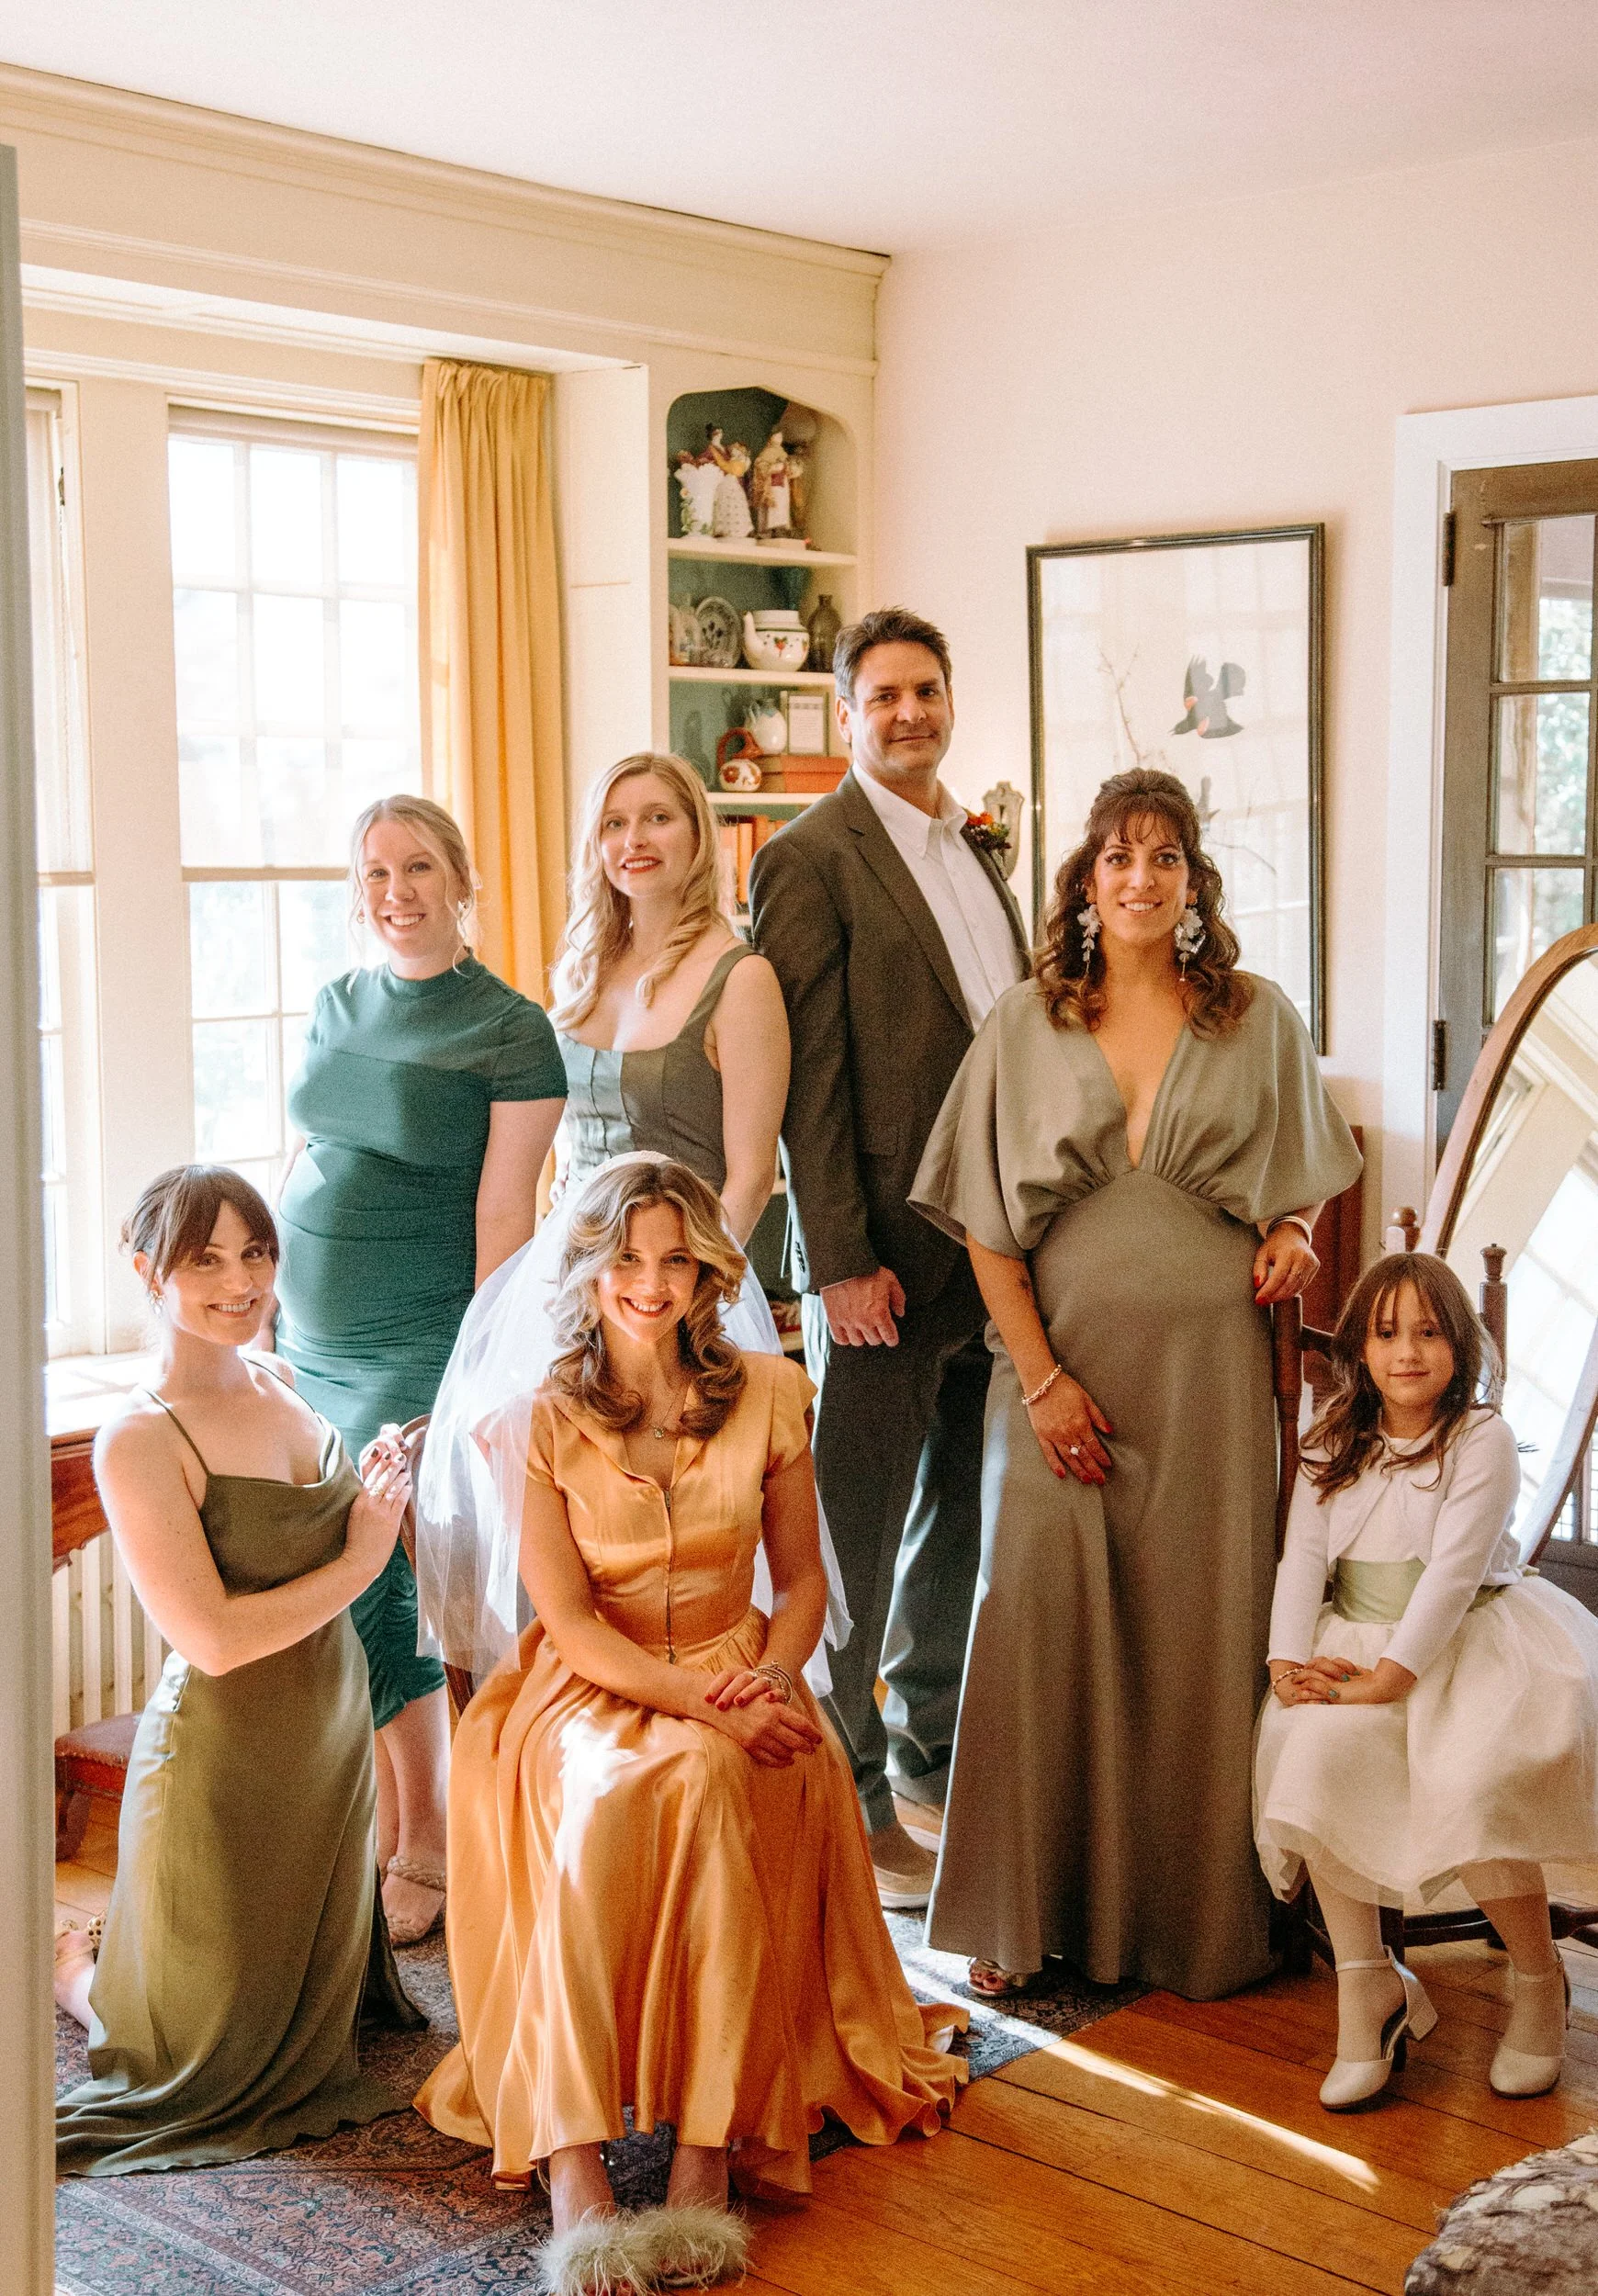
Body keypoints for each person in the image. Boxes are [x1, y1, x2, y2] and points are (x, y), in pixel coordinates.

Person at [412, 1156, 965, 2296]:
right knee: (618, 1794)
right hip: (589, 1683)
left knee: (714, 1778)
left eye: (673, 1258)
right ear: (590, 1270)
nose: (650, 1282)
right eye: (625, 1257)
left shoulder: (769, 1391)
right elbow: (564, 1619)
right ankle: (577, 2164)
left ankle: (705, 2154)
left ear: (708, 1270)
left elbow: (807, 1581)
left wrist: (764, 1678)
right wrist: (705, 1704)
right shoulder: (537, 1419)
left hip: (739, 1663)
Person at [911, 766, 1360, 2001]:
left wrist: (1298, 1234)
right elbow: (988, 1235)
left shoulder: (1254, 1017)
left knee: (1194, 1633)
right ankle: (1014, 1912)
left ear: (1193, 880)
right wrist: (1043, 1381)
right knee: (1031, 1611)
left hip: (1209, 1377)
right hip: (1059, 1368)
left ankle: (1194, 1918)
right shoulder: (1026, 1022)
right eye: (1119, 857)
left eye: (1165, 858)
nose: (1142, 878)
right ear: (1086, 880)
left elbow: (1302, 1175)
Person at [414, 751, 847, 1689]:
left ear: (697, 836)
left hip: (679, 1283)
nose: (634, 841)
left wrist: (683, 1293)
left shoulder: (743, 979)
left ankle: (706, 1704)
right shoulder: (580, 971)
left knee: (679, 1535)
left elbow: (747, 1177)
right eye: (615, 823)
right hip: (568, 1285)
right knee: (527, 1508)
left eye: (657, 819)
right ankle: (555, 1729)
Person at [748, 608, 1030, 1910]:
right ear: (848, 714)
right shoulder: (812, 859)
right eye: (884, 697)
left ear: (949, 698)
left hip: (994, 1253)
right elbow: (808, 1080)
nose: (909, 713)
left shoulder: (975, 853)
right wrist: (837, 1261)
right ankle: (846, 1791)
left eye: (927, 690)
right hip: (881, 1265)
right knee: (848, 1536)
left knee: (959, 1520)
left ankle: (929, 1748)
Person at [56, 1165, 416, 2176]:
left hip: (330, 1745)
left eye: (255, 1251)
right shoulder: (139, 1437)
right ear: (147, 1270)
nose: (242, 1279)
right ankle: (80, 1978)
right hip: (226, 1762)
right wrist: (361, 1557)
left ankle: (112, 1965)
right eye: (206, 1258)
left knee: (317, 2020)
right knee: (192, 2063)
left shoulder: (281, 1379)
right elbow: (210, 1639)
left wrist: (377, 1488)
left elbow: (325, 1528)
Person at [276, 794, 566, 1944]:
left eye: (419, 868)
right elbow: (302, 1151)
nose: (396, 890)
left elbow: (508, 1214)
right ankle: (390, 1817)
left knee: (386, 1568)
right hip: (302, 1340)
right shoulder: (337, 1001)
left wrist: (483, 1372)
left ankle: (434, 1835)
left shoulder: (509, 1028)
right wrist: (251, 1304)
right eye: (377, 871)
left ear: (461, 881)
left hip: (419, 1337)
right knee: (331, 1567)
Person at [1256, 1254, 1598, 2109]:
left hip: (1464, 1643)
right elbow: (1302, 1557)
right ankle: (1368, 1982)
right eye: (1385, 1334)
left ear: (1459, 1344)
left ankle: (1537, 1976)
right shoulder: (1332, 1436)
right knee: (1312, 1763)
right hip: (1354, 1642)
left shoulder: (1479, 1439)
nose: (1407, 1352)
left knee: (1472, 1786)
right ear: (1360, 1351)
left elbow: (1450, 1576)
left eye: (1428, 1331)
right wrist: (1287, 1661)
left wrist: (1390, 1678)